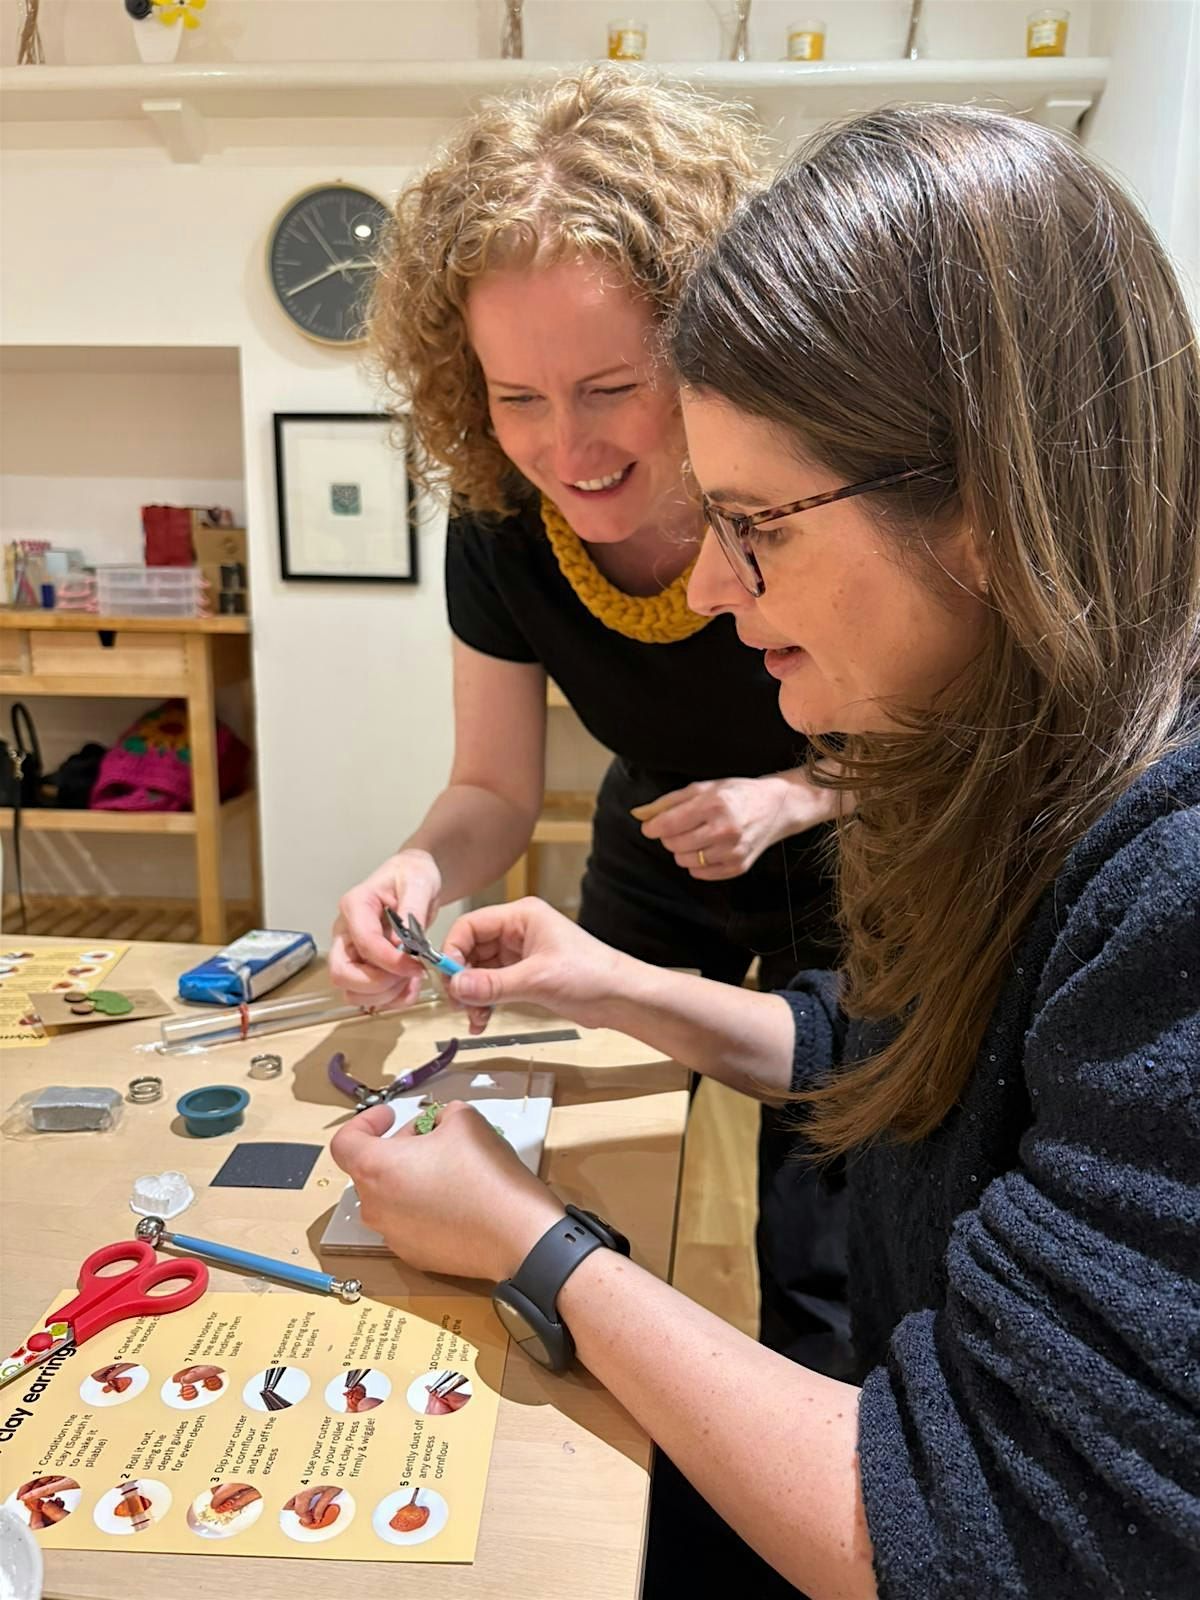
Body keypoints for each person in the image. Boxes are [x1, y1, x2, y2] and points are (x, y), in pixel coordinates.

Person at [332, 103, 1200, 1599]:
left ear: (989, 500)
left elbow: (987, 1522)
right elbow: (867, 1045)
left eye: (755, 529)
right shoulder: (1017, 778)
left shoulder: (1161, 883)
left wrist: (543, 1251)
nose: (717, 598)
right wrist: (609, 977)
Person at [329, 69, 851, 1372]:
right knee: (572, 1148)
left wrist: (798, 796)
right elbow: (493, 788)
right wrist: (420, 870)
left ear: (708, 339)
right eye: (517, 400)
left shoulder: (811, 477)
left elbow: (965, 747)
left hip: (864, 856)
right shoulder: (501, 527)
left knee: (827, 1236)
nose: (570, 449)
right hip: (656, 840)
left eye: (614, 386)